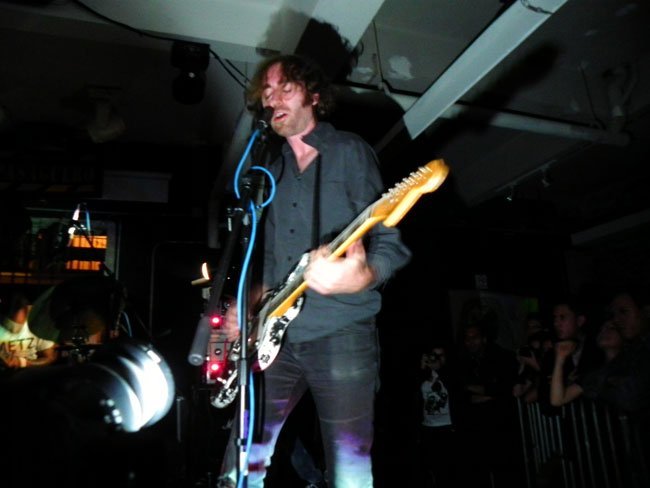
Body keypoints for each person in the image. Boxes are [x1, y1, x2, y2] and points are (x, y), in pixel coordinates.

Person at [217, 54, 411, 488]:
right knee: (241, 459)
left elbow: (391, 244)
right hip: (278, 340)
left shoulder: (349, 151)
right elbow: (271, 266)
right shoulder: (272, 172)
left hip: (342, 332)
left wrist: (362, 276)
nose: (273, 100)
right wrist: (246, 307)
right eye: (267, 93)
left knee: (349, 467)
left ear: (315, 97)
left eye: (286, 89)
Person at [417, 341, 459, 487]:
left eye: (441, 355)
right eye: (434, 355)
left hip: (448, 428)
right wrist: (422, 368)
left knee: (449, 471)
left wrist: (439, 369)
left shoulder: (452, 372)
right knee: (431, 469)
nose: (437, 358)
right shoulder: (424, 376)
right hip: (428, 428)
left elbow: (456, 387)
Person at [0, 290, 57, 373]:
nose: (13, 329)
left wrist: (24, 363)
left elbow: (50, 357)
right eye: (8, 323)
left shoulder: (37, 325)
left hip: (30, 375)